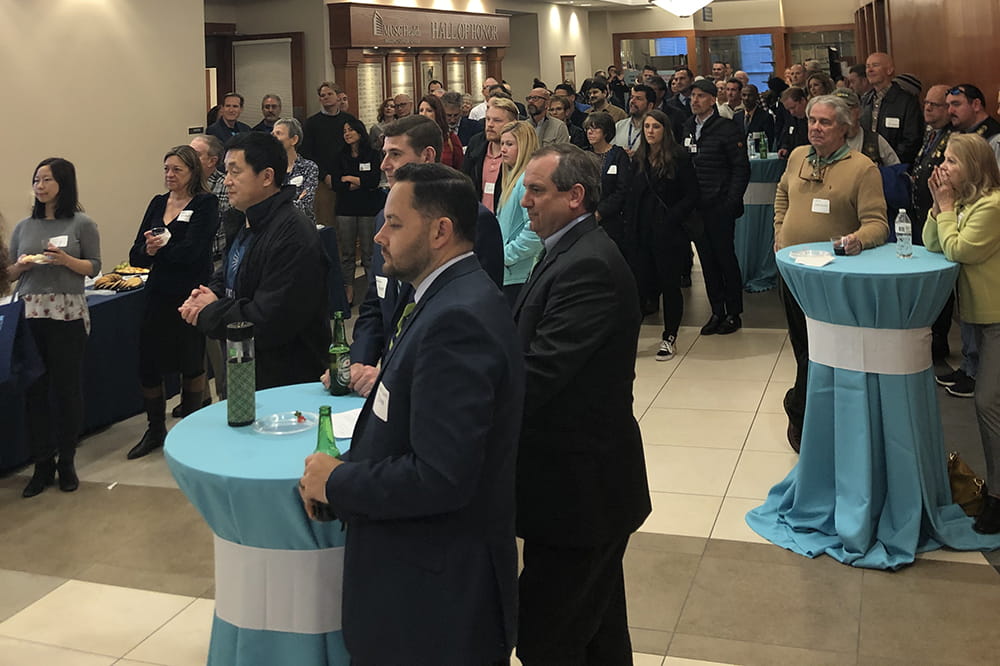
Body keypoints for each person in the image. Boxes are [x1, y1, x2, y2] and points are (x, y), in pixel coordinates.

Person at [300, 163, 523, 663]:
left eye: (395, 224)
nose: (378, 236)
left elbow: (441, 476)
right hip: (420, 578)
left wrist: (337, 482)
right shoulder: (440, 295)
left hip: (433, 597)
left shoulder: (458, 318)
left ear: (441, 230)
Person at [513, 144, 650, 664]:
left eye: (536, 190)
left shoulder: (587, 265)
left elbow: (540, 372)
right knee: (598, 632)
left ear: (575, 196)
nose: (525, 201)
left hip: (581, 493)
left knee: (548, 637)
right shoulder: (565, 251)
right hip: (578, 491)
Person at [349, 115, 504, 398]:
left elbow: (475, 323)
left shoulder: (472, 220)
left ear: (427, 156)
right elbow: (374, 303)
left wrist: (390, 379)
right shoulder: (383, 218)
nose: (385, 165)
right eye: (384, 154)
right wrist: (359, 363)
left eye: (395, 154)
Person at [773, 94, 889, 452]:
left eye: (824, 122)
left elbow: (878, 224)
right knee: (802, 347)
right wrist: (779, 231)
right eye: (812, 121)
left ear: (844, 128)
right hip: (793, 273)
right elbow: (781, 194)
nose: (816, 128)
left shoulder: (862, 167)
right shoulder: (796, 157)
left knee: (823, 352)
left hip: (833, 277)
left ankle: (804, 414)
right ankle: (804, 409)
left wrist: (857, 240)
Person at [179, 132, 329, 389]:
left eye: (235, 172)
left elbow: (268, 319)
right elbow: (228, 273)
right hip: (243, 373)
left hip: (283, 383)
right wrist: (208, 294)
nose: (227, 181)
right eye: (226, 172)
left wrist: (208, 312)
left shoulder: (293, 234)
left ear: (267, 176)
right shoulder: (243, 219)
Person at [8, 158, 101, 497]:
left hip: (67, 312)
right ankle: (42, 463)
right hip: (31, 314)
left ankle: (67, 461)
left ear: (63, 183)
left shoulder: (82, 223)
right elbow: (8, 274)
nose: (40, 185)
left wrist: (65, 261)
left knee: (66, 389)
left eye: (47, 179)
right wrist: (20, 265)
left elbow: (93, 267)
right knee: (35, 391)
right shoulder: (24, 227)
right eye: (36, 179)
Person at [923, 133, 1000, 534]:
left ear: (973, 165)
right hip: (983, 320)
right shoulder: (967, 205)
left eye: (952, 161)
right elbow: (932, 243)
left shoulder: (992, 206)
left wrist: (948, 207)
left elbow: (961, 250)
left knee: (989, 405)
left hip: (998, 318)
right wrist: (940, 207)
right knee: (990, 407)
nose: (943, 166)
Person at [126, 145, 219, 460]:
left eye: (177, 169)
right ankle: (155, 429)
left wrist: (161, 250)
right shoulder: (157, 203)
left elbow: (194, 252)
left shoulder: (206, 204)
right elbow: (136, 253)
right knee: (147, 364)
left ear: (192, 171)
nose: (170, 175)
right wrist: (150, 251)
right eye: (166, 169)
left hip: (190, 294)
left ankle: (191, 430)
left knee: (190, 361)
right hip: (157, 293)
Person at [628, 110, 699, 360]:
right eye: (646, 126)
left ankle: (670, 336)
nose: (650, 131)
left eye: (655, 126)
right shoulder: (638, 158)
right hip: (643, 231)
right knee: (639, 287)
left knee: (670, 286)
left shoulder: (678, 157)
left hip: (669, 232)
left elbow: (692, 195)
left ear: (665, 130)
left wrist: (672, 218)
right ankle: (629, 340)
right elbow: (632, 196)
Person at [682, 78, 751, 336]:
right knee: (708, 262)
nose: (695, 101)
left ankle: (734, 312)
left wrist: (731, 200)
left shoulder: (726, 127)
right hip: (696, 207)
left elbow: (741, 168)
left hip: (720, 205)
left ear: (712, 99)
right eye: (692, 97)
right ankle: (717, 310)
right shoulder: (688, 127)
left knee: (725, 258)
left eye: (700, 96)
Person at [333, 117, 382, 306]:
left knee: (369, 252)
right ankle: (348, 288)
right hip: (345, 209)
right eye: (344, 131)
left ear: (359, 132)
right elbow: (336, 183)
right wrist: (358, 182)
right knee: (346, 253)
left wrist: (352, 179)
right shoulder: (339, 155)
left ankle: (373, 291)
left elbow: (373, 181)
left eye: (350, 130)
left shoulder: (371, 154)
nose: (347, 134)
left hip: (368, 208)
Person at [496, 120, 543, 306]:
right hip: (510, 274)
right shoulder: (512, 179)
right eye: (502, 144)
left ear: (524, 146)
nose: (503, 150)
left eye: (509, 144)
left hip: (518, 275)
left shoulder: (525, 181)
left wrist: (506, 256)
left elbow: (535, 230)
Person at [300, 82, 358, 229]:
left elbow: (357, 147)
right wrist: (324, 175)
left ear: (338, 97)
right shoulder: (311, 123)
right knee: (326, 223)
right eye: (322, 95)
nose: (326, 97)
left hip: (347, 178)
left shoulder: (349, 120)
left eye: (329, 94)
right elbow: (307, 153)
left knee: (348, 226)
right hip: (324, 180)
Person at [860, 52, 922, 164]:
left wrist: (890, 162)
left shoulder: (907, 101)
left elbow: (912, 140)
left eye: (875, 65)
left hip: (895, 167)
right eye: (867, 66)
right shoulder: (865, 100)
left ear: (889, 70)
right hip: (867, 166)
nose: (870, 70)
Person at [584, 112, 632, 253]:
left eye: (595, 128)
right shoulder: (583, 155)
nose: (590, 132)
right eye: (588, 129)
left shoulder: (618, 155)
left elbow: (622, 189)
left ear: (606, 132)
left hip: (612, 219)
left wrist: (601, 212)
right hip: (587, 216)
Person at [463, 96, 519, 211]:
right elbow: (465, 182)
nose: (490, 125)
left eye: (497, 120)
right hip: (478, 219)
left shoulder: (518, 152)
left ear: (513, 123)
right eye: (488, 119)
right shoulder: (476, 144)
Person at [272, 117, 319, 223]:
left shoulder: (309, 167)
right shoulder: (269, 169)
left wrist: (276, 204)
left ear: (294, 139)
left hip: (302, 226)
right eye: (273, 134)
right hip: (275, 227)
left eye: (278, 133)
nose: (274, 137)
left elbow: (305, 204)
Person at [417, 94, 463, 170]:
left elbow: (460, 167)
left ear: (437, 113)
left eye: (429, 111)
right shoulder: (413, 139)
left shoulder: (451, 139)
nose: (424, 114)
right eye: (421, 110)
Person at [777, 87, 809, 158]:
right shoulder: (791, 119)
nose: (792, 112)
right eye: (788, 110)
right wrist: (785, 147)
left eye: (793, 107)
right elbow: (786, 137)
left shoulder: (814, 118)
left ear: (803, 101)